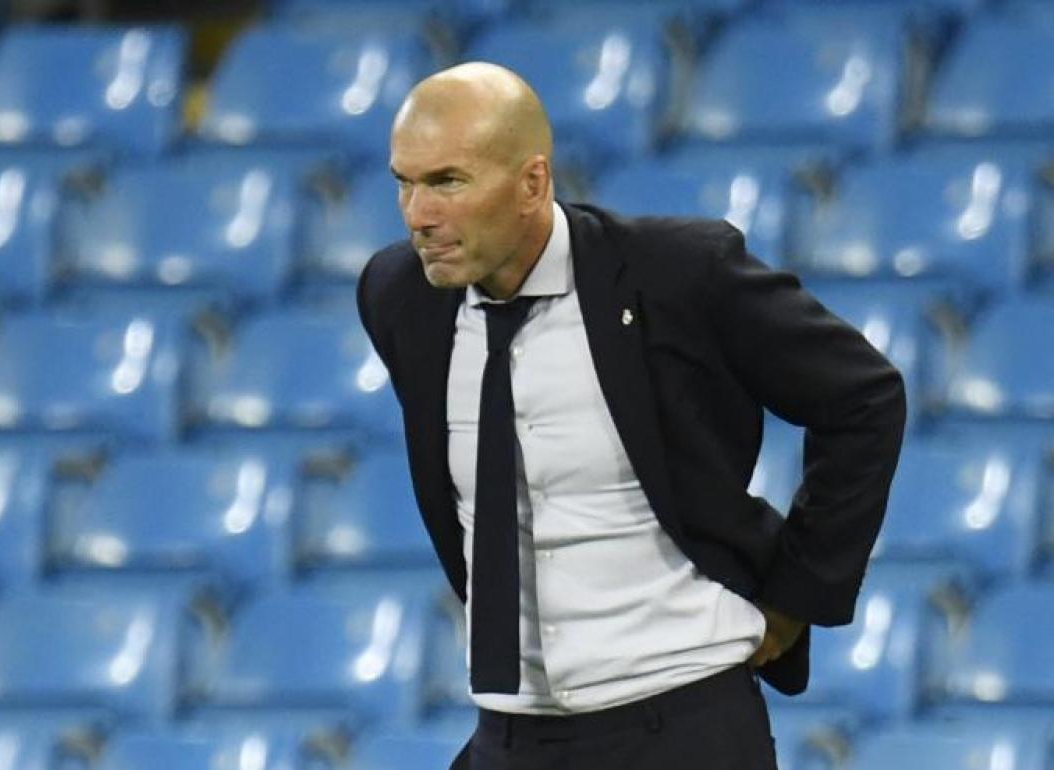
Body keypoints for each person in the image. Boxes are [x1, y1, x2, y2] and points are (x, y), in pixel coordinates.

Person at [355, 62, 906, 770]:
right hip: (511, 730)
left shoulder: (678, 272)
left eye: (448, 183)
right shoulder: (399, 295)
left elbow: (864, 397)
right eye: (404, 182)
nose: (418, 216)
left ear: (532, 182)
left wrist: (800, 593)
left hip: (682, 719)